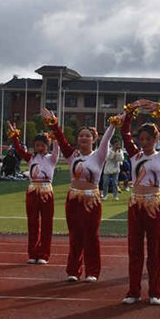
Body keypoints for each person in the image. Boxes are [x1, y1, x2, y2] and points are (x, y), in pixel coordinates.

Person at [45, 108, 117, 283]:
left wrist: (113, 125)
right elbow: (61, 140)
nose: (83, 139)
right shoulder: (72, 156)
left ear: (94, 139)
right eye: (81, 136)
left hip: (91, 199)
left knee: (91, 236)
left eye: (87, 136)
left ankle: (92, 271)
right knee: (75, 235)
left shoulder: (99, 156)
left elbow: (107, 139)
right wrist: (54, 124)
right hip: (73, 199)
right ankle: (73, 271)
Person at [117, 100, 160, 305]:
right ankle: (133, 291)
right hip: (135, 203)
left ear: (155, 139)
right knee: (134, 248)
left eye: (148, 139)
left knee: (155, 248)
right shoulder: (134, 155)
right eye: (141, 139)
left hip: (153, 204)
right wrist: (130, 112)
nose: (144, 142)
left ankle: (155, 292)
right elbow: (124, 134)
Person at [7, 123, 61, 264]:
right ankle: (33, 253)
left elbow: (57, 150)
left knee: (46, 223)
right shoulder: (31, 158)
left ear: (47, 146)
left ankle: (44, 254)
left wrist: (55, 138)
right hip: (32, 190)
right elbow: (19, 150)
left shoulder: (51, 159)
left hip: (46, 190)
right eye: (37, 145)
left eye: (42, 145)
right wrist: (15, 136)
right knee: (32, 223)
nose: (39, 148)